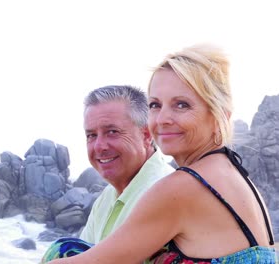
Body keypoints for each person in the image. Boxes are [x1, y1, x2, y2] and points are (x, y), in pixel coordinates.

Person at [44, 44, 277, 263]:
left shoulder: (182, 187)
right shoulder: (234, 175)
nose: (163, 119)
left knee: (61, 249)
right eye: (155, 105)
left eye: (182, 105)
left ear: (218, 116)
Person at [41, 85, 175, 262]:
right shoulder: (106, 198)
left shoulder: (166, 192)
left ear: (146, 135)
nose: (99, 146)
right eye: (91, 135)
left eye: (112, 132)